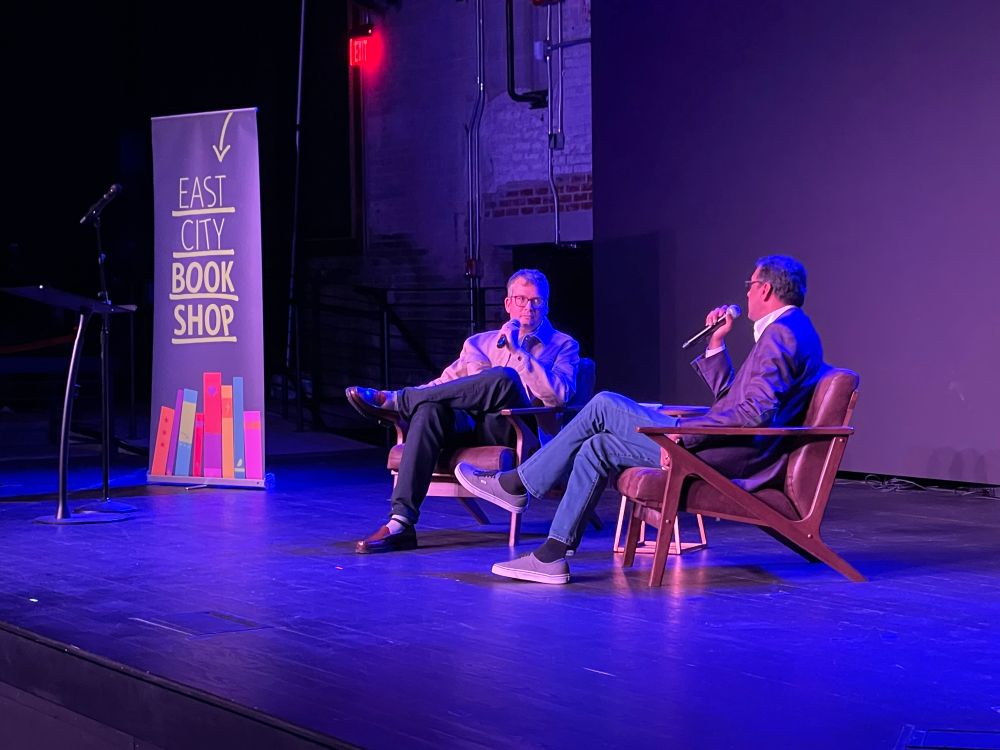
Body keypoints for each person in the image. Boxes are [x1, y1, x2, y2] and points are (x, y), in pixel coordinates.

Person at [455, 255, 824, 584]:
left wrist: (685, 436)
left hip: (725, 453)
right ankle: (553, 555)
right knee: (597, 447)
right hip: (724, 443)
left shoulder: (782, 335)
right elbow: (735, 400)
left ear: (765, 289)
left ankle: (519, 483)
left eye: (749, 286)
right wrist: (716, 343)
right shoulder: (790, 330)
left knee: (603, 404)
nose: (745, 295)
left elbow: (754, 414)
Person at [347, 269, 580, 553]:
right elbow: (445, 384)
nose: (528, 307)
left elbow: (559, 396)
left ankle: (400, 400)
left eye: (536, 301)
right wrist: (423, 397)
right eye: (520, 299)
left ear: (546, 304)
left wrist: (520, 352)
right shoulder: (479, 343)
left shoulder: (564, 345)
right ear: (507, 304)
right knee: (430, 408)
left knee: (505, 377)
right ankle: (401, 523)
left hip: (517, 429)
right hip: (472, 426)